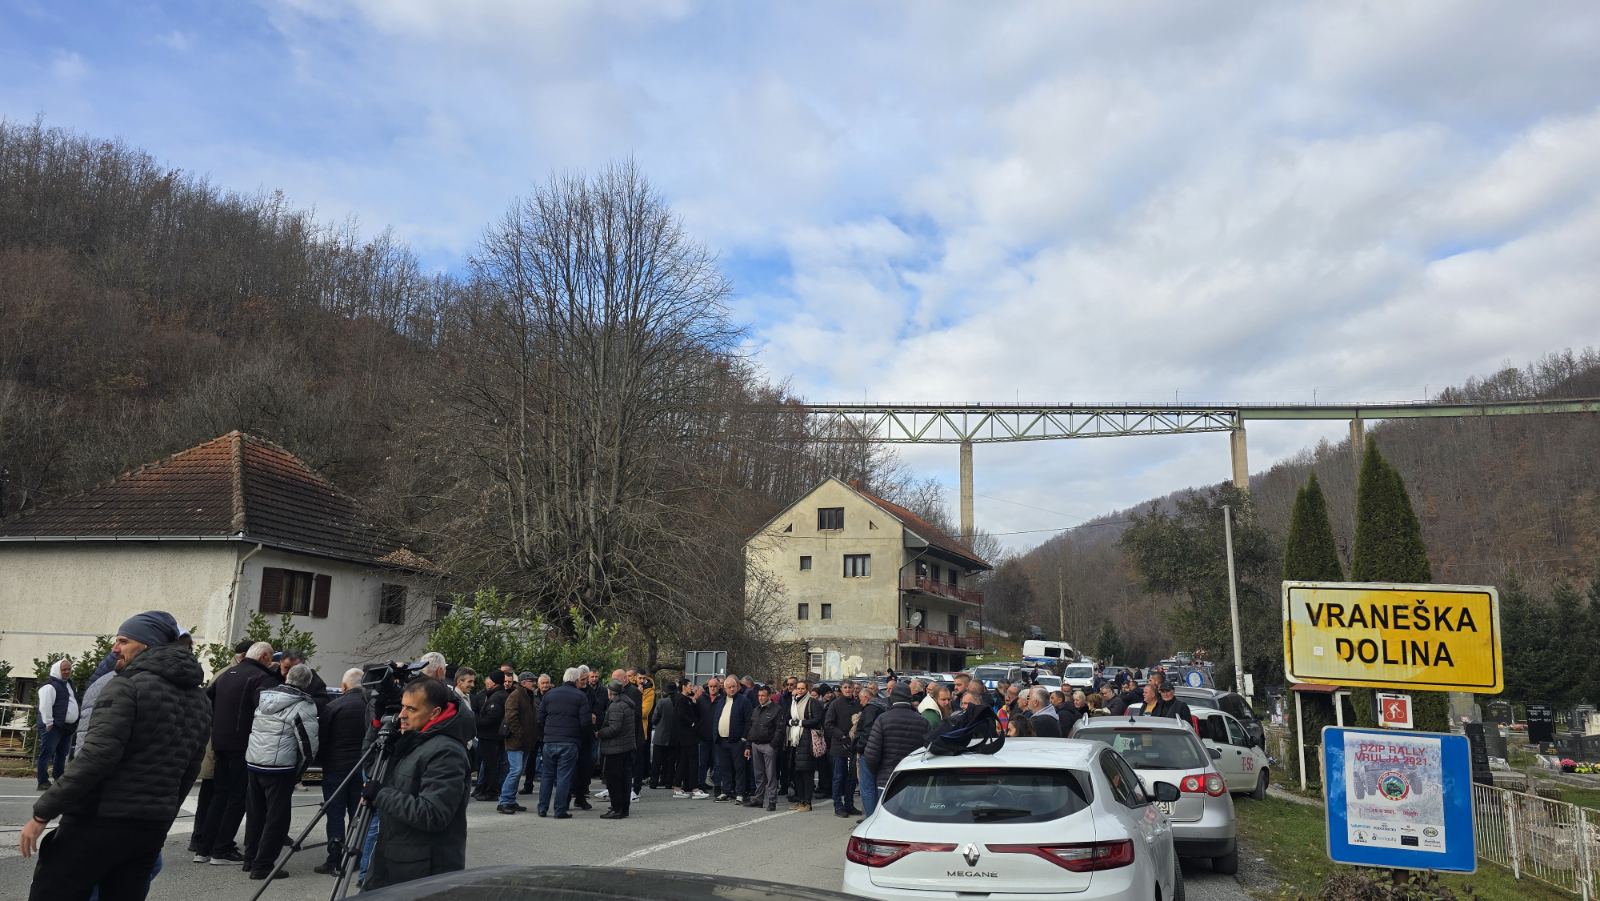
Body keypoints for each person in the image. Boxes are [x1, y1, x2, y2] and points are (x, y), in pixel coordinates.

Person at [20, 611, 210, 900]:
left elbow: (96, 756)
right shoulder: (199, 699)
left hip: (99, 820)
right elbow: (188, 769)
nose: (115, 648)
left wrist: (42, 812)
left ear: (147, 644)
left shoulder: (126, 685)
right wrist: (164, 818)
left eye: (123, 640)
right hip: (150, 827)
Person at [361, 678, 470, 890]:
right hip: (394, 857)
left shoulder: (446, 752)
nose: (402, 714)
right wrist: (377, 726)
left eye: (411, 709)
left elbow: (433, 814)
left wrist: (380, 795)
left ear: (435, 713)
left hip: (424, 870)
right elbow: (371, 767)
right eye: (402, 706)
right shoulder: (414, 738)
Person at [195, 640, 278, 866]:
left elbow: (207, 700)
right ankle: (221, 849)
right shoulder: (261, 678)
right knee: (237, 797)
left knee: (219, 795)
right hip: (243, 743)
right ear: (264, 658)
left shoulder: (227, 674)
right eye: (270, 658)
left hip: (220, 742)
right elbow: (266, 711)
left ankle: (204, 848)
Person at [243, 663, 320, 880]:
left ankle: (250, 859)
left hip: (255, 762)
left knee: (256, 814)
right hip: (280, 767)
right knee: (277, 819)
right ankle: (263, 865)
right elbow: (308, 745)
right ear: (308, 683)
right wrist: (300, 771)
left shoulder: (265, 699)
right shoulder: (303, 706)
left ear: (287, 678)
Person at [314, 668, 367, 875]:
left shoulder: (333, 706)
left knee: (334, 814)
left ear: (344, 686)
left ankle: (334, 858)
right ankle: (355, 857)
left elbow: (322, 739)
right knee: (358, 815)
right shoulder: (370, 707)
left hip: (336, 768)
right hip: (361, 767)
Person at [536, 667, 592, 818]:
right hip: (569, 741)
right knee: (564, 777)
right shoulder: (580, 696)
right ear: (575, 680)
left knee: (547, 776)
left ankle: (542, 808)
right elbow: (585, 722)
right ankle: (560, 810)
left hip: (549, 741)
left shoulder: (549, 695)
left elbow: (539, 719)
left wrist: (546, 734)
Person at [863, 684, 926, 791]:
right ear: (909, 698)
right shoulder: (922, 721)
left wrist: (878, 771)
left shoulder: (882, 719)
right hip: (913, 780)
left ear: (892, 698)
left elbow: (871, 755)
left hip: (886, 779)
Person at [36, 657, 80, 790]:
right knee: (46, 753)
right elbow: (44, 706)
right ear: (57, 670)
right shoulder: (49, 686)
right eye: (64, 669)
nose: (67, 672)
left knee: (62, 754)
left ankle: (59, 778)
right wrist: (49, 722)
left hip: (66, 727)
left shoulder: (69, 684)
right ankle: (42, 781)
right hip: (53, 726)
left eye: (69, 669)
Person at [597, 679, 638, 819]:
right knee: (625, 780)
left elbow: (614, 728)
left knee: (614, 781)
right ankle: (624, 809)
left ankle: (616, 809)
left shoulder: (616, 706)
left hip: (616, 749)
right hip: (627, 747)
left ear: (610, 692)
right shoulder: (628, 703)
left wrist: (599, 733)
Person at [498, 671, 537, 814]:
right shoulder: (516, 695)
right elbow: (511, 717)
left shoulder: (528, 696)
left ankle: (510, 800)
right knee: (515, 770)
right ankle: (504, 801)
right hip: (516, 741)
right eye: (531, 680)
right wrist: (520, 734)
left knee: (517, 771)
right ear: (523, 682)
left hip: (524, 741)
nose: (534, 682)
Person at [711, 674, 753, 803]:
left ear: (738, 687)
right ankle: (726, 791)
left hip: (737, 742)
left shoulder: (744, 701)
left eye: (734, 686)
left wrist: (744, 740)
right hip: (721, 740)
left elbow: (748, 722)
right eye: (729, 687)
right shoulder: (721, 701)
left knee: (739, 768)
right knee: (725, 767)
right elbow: (716, 719)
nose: (732, 689)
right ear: (724, 689)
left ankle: (740, 793)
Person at [783, 679, 823, 811]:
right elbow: (788, 717)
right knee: (796, 772)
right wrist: (791, 722)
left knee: (807, 773)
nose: (799, 691)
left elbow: (817, 720)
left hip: (807, 740)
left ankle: (807, 802)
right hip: (794, 740)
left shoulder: (813, 702)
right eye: (798, 688)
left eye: (802, 688)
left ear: (807, 689)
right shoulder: (794, 702)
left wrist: (800, 723)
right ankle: (800, 800)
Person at [824, 680, 861, 818]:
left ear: (853, 689)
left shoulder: (857, 703)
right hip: (839, 745)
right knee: (838, 777)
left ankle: (849, 804)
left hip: (853, 745)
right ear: (841, 689)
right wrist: (842, 736)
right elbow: (828, 724)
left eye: (850, 687)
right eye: (845, 687)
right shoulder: (835, 704)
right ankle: (838, 805)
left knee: (852, 778)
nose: (847, 689)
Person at [852, 681, 889, 819]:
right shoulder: (883, 707)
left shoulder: (869, 709)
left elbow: (866, 731)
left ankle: (870, 819)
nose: (860, 703)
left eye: (861, 700)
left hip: (867, 752)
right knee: (878, 786)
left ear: (866, 698)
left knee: (867, 787)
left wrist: (859, 747)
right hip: (881, 751)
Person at [744, 685, 784, 811]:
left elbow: (780, 729)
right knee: (758, 774)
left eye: (763, 696)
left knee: (771, 775)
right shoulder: (756, 710)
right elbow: (751, 729)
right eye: (759, 696)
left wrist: (773, 745)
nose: (760, 698)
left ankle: (772, 801)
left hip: (768, 746)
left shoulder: (777, 710)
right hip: (755, 744)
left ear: (769, 696)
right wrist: (748, 746)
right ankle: (759, 799)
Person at [472, 670, 507, 801]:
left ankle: (491, 791)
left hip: (490, 737)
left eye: (489, 678)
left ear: (494, 681)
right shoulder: (496, 694)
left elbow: (491, 719)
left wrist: (475, 719)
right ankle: (486, 789)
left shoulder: (497, 697)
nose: (486, 680)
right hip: (490, 736)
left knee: (490, 765)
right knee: (489, 765)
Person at [667, 678, 702, 798]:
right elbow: (682, 715)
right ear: (683, 687)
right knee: (692, 762)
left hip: (685, 737)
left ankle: (677, 787)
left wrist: (693, 702)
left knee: (683, 762)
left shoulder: (685, 699)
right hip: (687, 736)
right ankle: (694, 788)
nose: (691, 688)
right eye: (690, 686)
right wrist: (692, 723)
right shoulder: (681, 700)